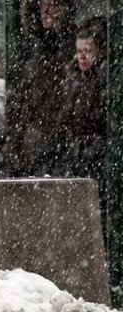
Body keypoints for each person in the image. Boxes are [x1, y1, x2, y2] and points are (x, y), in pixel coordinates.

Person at [0, 0, 76, 176]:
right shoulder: (28, 50)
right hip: (32, 143)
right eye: (44, 5)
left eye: (52, 5)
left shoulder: (70, 46)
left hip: (55, 142)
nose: (48, 11)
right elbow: (17, 101)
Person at [55, 19, 107, 243]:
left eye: (88, 51)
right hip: (76, 154)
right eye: (79, 51)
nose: (82, 56)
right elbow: (64, 119)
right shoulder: (72, 80)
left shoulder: (102, 79)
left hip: (95, 155)